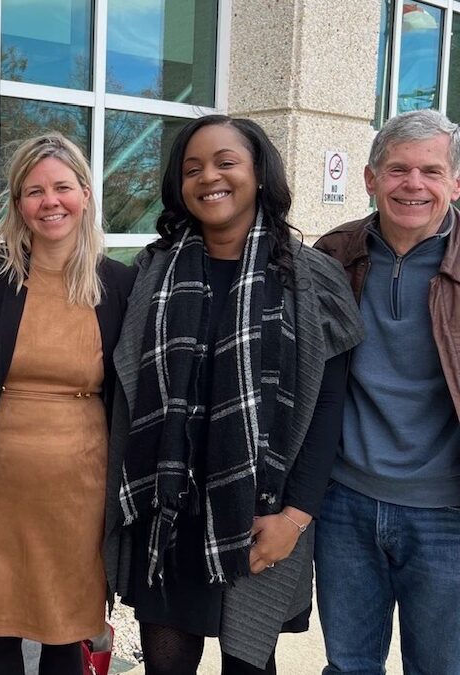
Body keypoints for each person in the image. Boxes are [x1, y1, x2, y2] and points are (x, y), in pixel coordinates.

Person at [104, 115, 364, 674]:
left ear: (259, 174)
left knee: (250, 661)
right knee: (165, 664)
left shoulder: (313, 279)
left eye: (226, 163)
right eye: (192, 168)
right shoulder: (152, 271)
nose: (209, 178)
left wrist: (295, 517)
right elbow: (126, 390)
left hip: (260, 513)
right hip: (167, 511)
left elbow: (326, 407)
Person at [0, 133, 136, 675]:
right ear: (17, 204)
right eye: (34, 191)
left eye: (62, 187)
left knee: (66, 632)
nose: (49, 201)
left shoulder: (118, 283)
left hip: (81, 486)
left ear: (85, 193)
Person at [313, 109, 460, 675]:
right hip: (344, 501)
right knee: (348, 667)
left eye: (430, 171)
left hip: (447, 511)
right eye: (397, 169)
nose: (413, 185)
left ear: (454, 182)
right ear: (371, 178)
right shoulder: (334, 256)